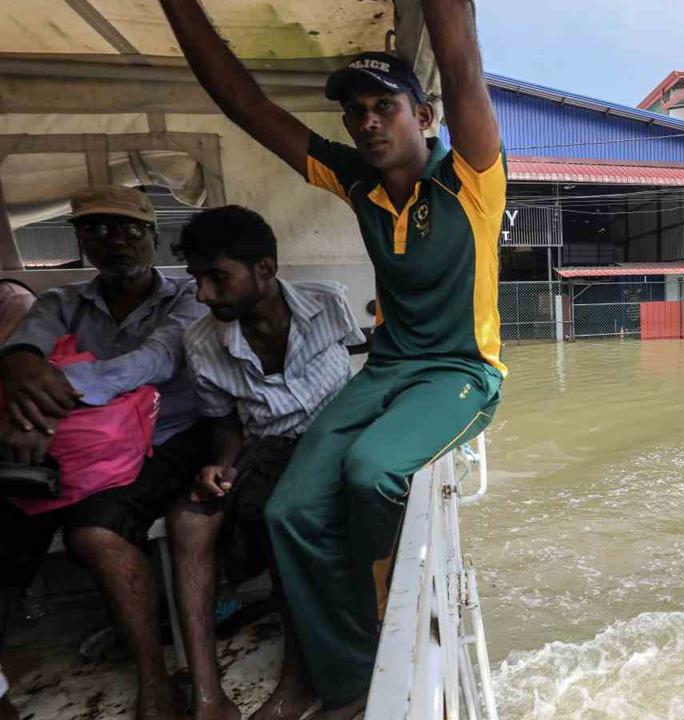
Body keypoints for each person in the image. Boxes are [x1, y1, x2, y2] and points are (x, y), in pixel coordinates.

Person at [160, 1, 506, 716]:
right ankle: (342, 678)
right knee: (287, 509)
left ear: (425, 116)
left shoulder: (472, 176)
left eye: (386, 107)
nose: (369, 122)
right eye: (356, 113)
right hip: (386, 372)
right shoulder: (359, 183)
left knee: (371, 472)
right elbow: (246, 105)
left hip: (461, 375)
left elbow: (462, 61)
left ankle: (381, 623)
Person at [0, 184, 209, 720]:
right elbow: (22, 355)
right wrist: (28, 385)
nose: (112, 240)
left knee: (96, 533)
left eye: (127, 228)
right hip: (68, 442)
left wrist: (55, 393)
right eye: (95, 229)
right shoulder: (60, 301)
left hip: (165, 439)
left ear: (153, 236)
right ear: (80, 240)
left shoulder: (186, 296)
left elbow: (156, 361)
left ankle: (155, 681)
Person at [166, 206, 365, 720]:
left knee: (284, 512)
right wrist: (220, 465)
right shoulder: (203, 342)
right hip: (264, 449)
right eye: (197, 279)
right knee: (187, 523)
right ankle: (208, 697)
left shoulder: (328, 304)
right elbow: (226, 423)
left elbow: (367, 371)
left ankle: (298, 680)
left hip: (334, 442)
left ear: (266, 270)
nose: (204, 294)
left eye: (217, 277)